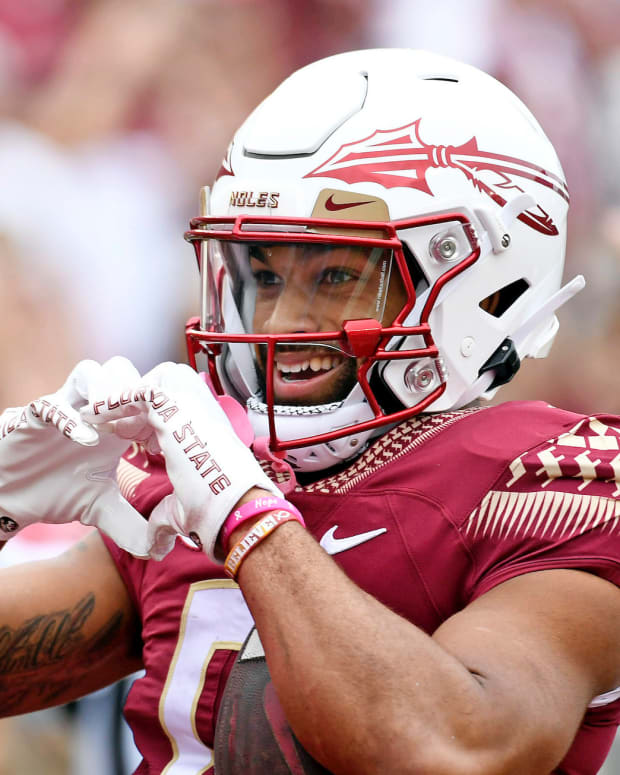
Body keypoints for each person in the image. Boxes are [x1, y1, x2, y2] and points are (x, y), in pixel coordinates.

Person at [0, 48, 619, 775]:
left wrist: (250, 522)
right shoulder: (214, 478)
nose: (282, 318)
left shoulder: (558, 481)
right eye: (263, 273)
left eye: (334, 276)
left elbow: (451, 748)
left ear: (481, 286)